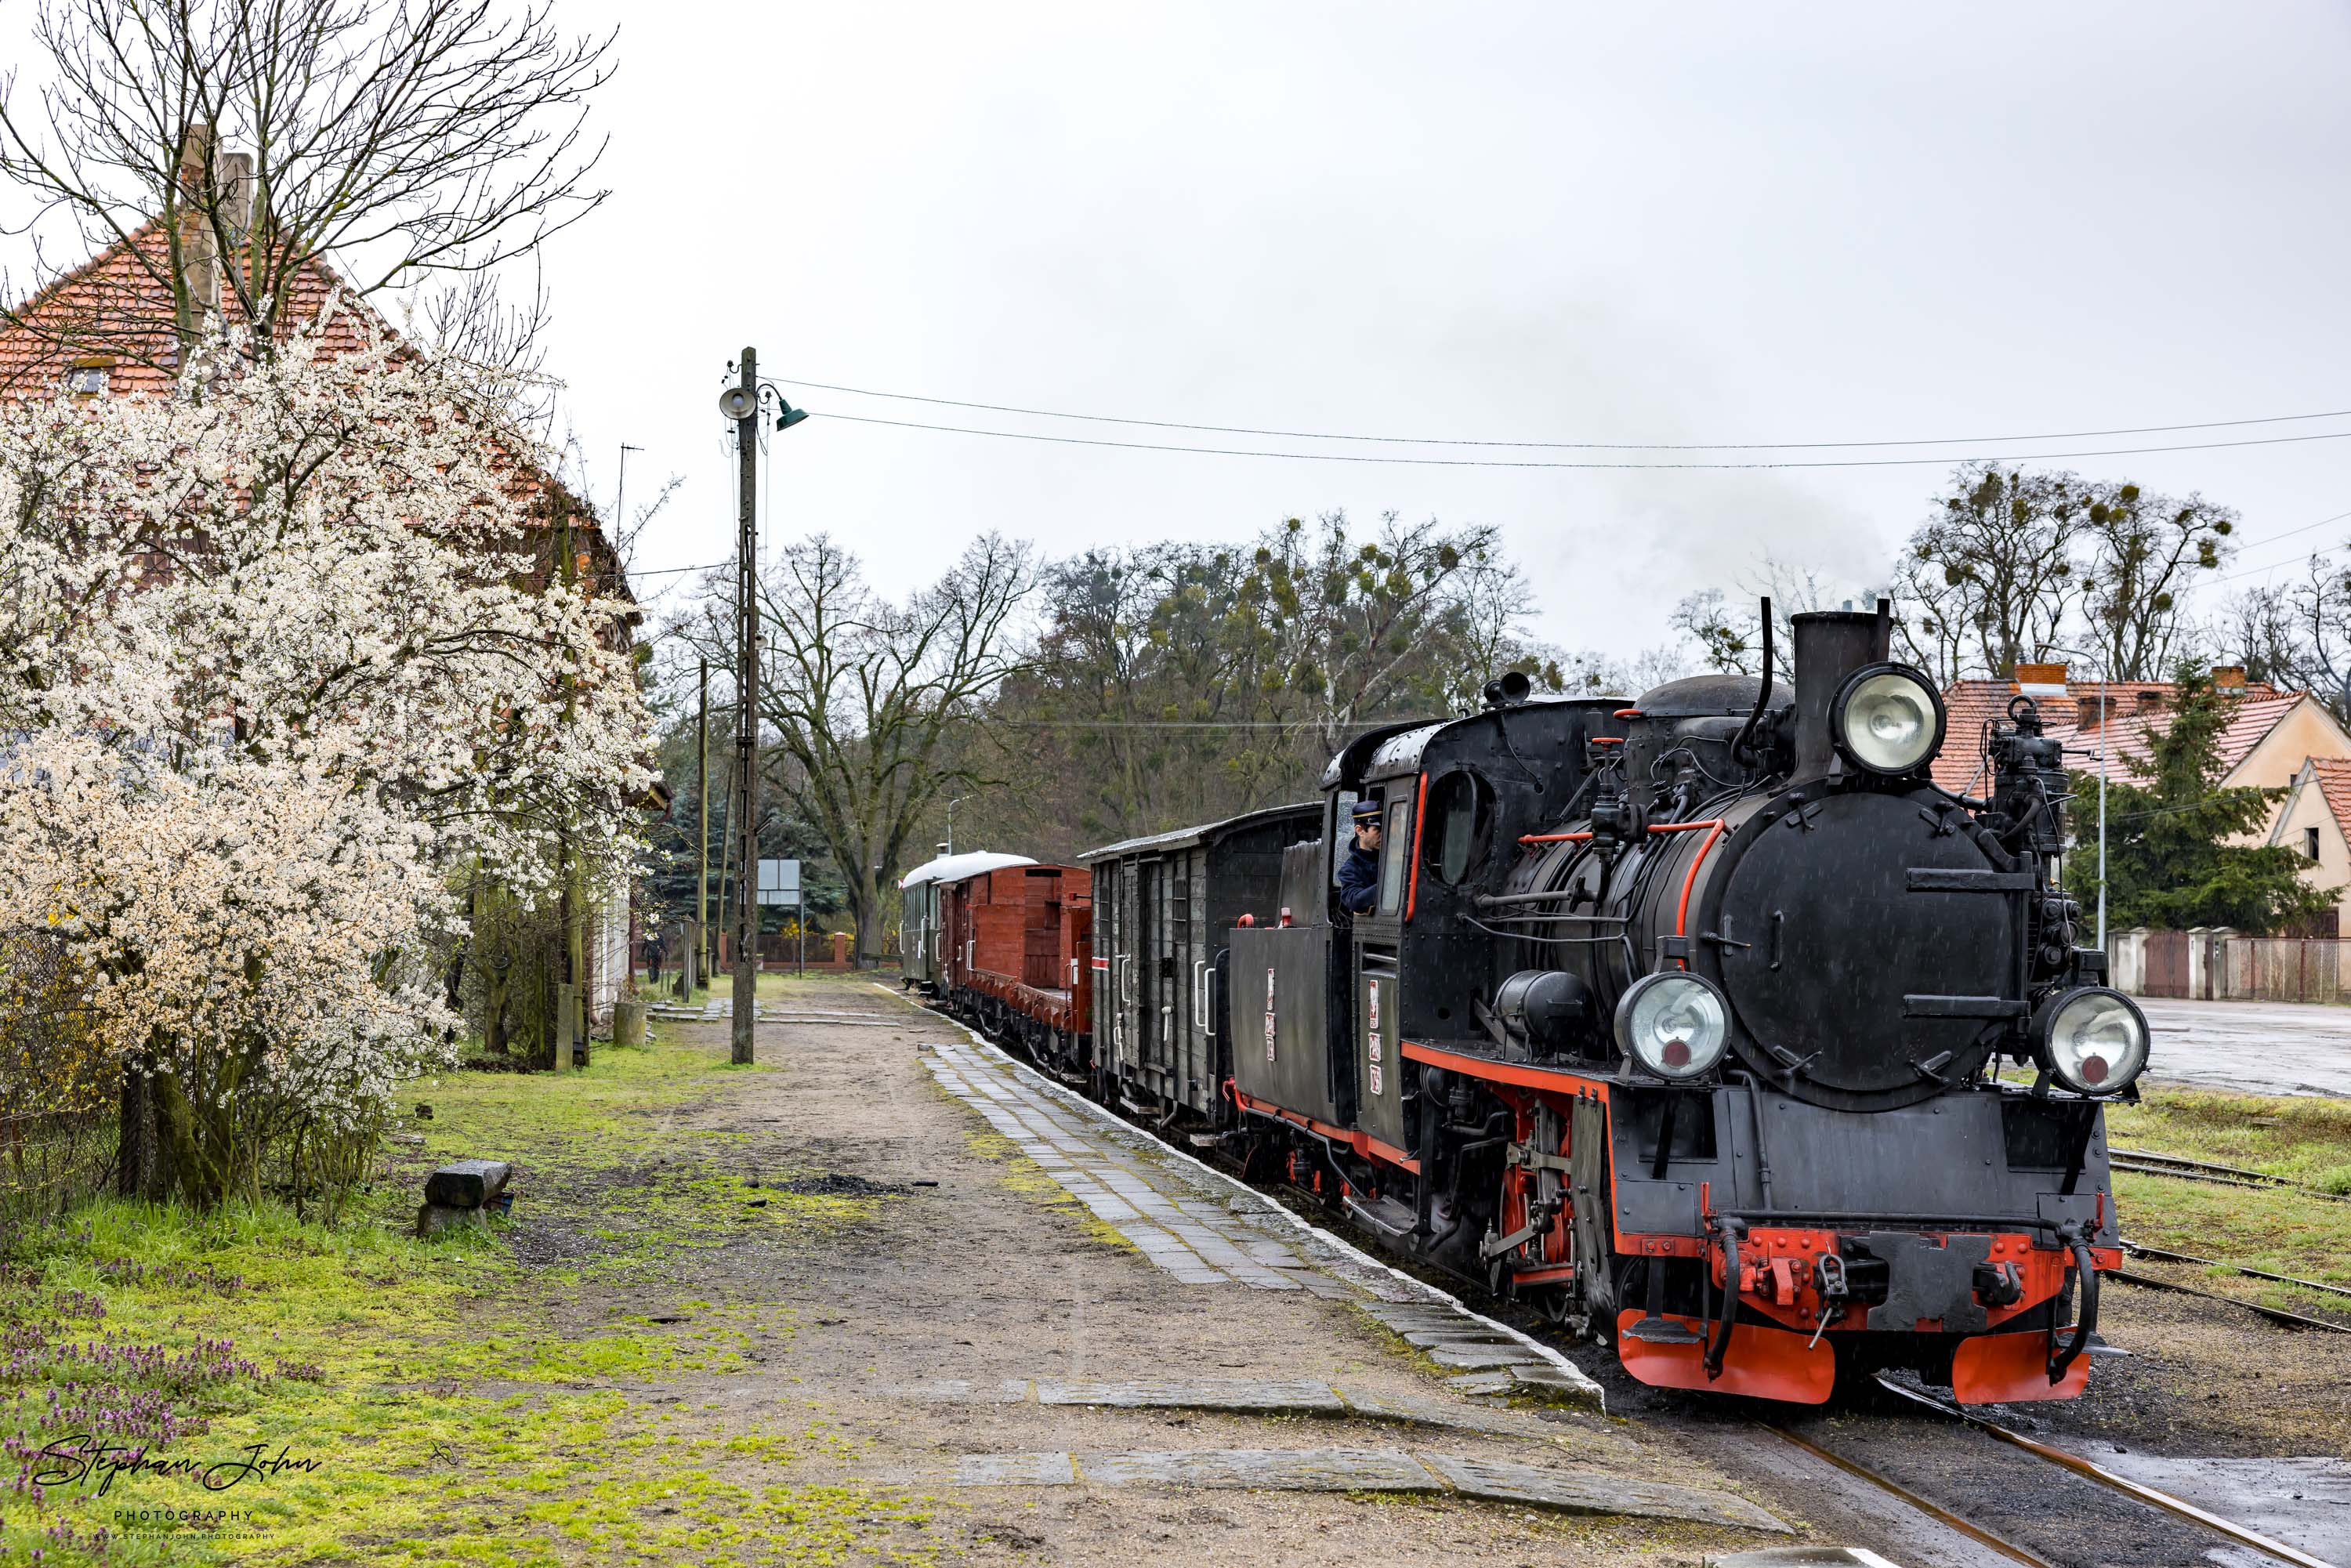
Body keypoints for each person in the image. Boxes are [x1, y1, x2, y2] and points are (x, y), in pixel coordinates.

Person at [1338, 797, 1384, 915]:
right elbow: (1354, 900)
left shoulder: (1394, 857)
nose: (1384, 835)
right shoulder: (1350, 869)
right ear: (1360, 831)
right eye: (1378, 830)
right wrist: (1388, 886)